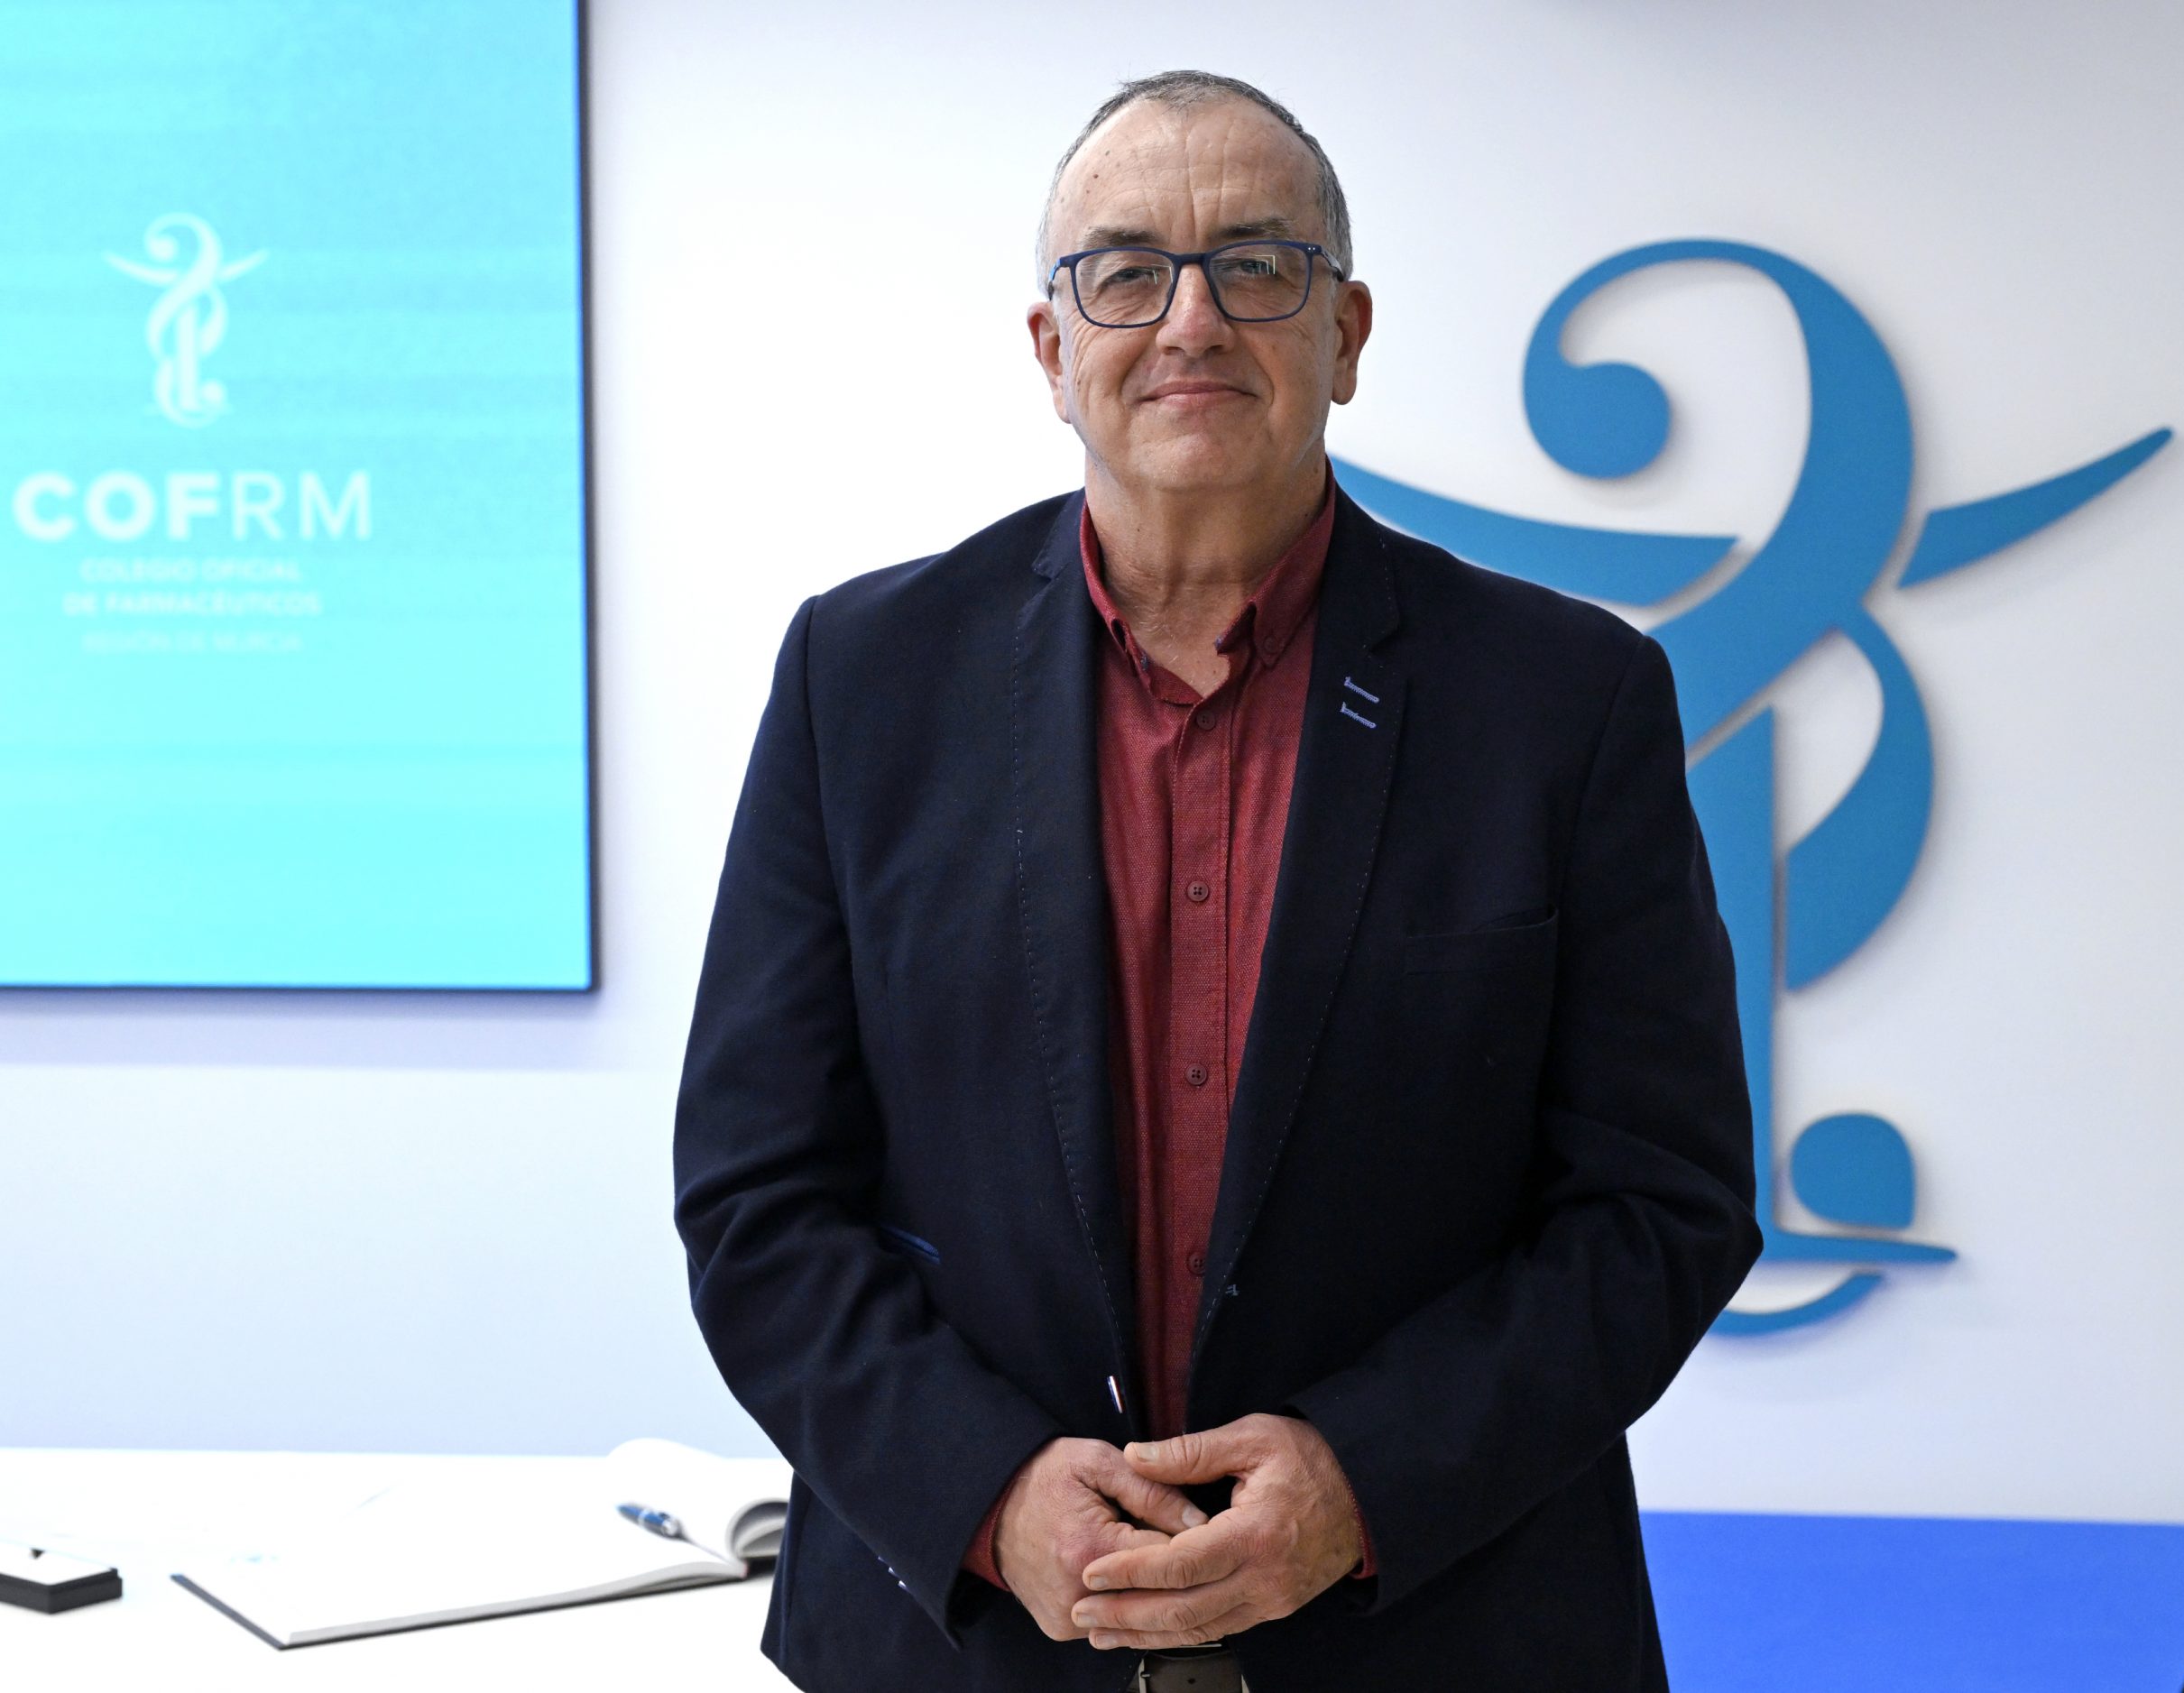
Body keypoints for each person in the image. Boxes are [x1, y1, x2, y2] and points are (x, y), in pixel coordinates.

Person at [673, 69, 1758, 1693]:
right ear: (1052, 349)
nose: (1191, 320)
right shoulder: (861, 678)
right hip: (967, 1642)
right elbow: (757, 1198)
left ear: (1348, 333)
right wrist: (984, 1493)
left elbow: (1663, 1202)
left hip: (1441, 1634)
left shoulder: (1566, 701)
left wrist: (1364, 1481)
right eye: (1125, 271)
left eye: (1257, 265)